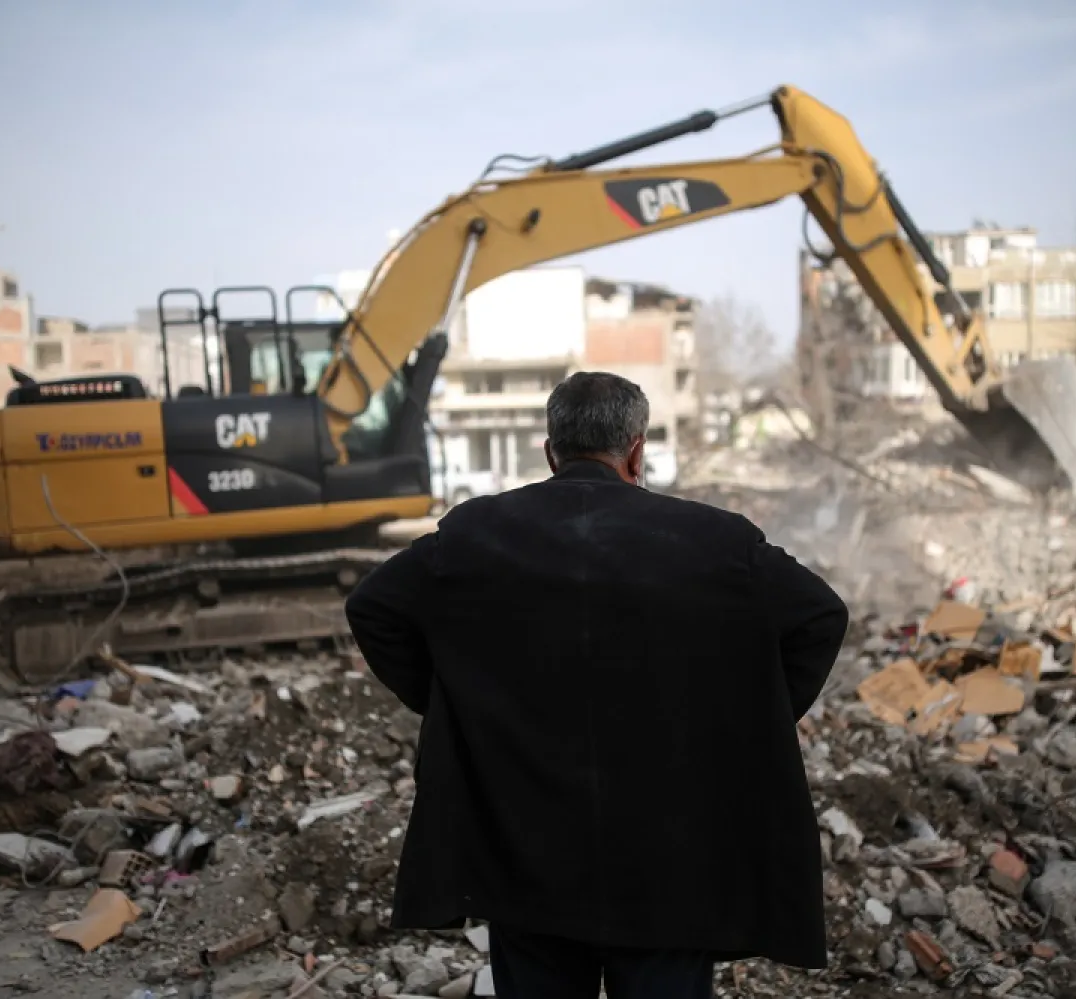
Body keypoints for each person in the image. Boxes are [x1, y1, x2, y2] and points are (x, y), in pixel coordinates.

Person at [344, 371, 850, 999]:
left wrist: (461, 704)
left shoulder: (474, 534)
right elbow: (821, 618)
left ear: (550, 451)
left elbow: (373, 609)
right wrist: (741, 717)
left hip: (524, 856)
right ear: (637, 451)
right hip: (671, 861)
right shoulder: (716, 540)